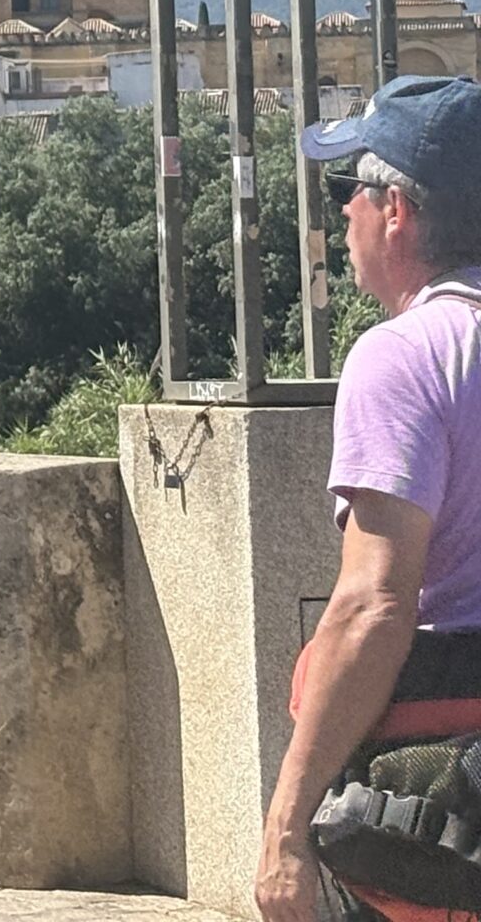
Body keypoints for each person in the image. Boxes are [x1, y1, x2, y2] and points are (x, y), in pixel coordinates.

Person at [260, 75, 481, 922]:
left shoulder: (407, 357)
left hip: (440, 809)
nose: (342, 211)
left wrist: (286, 828)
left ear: (397, 211)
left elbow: (374, 605)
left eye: (347, 188)